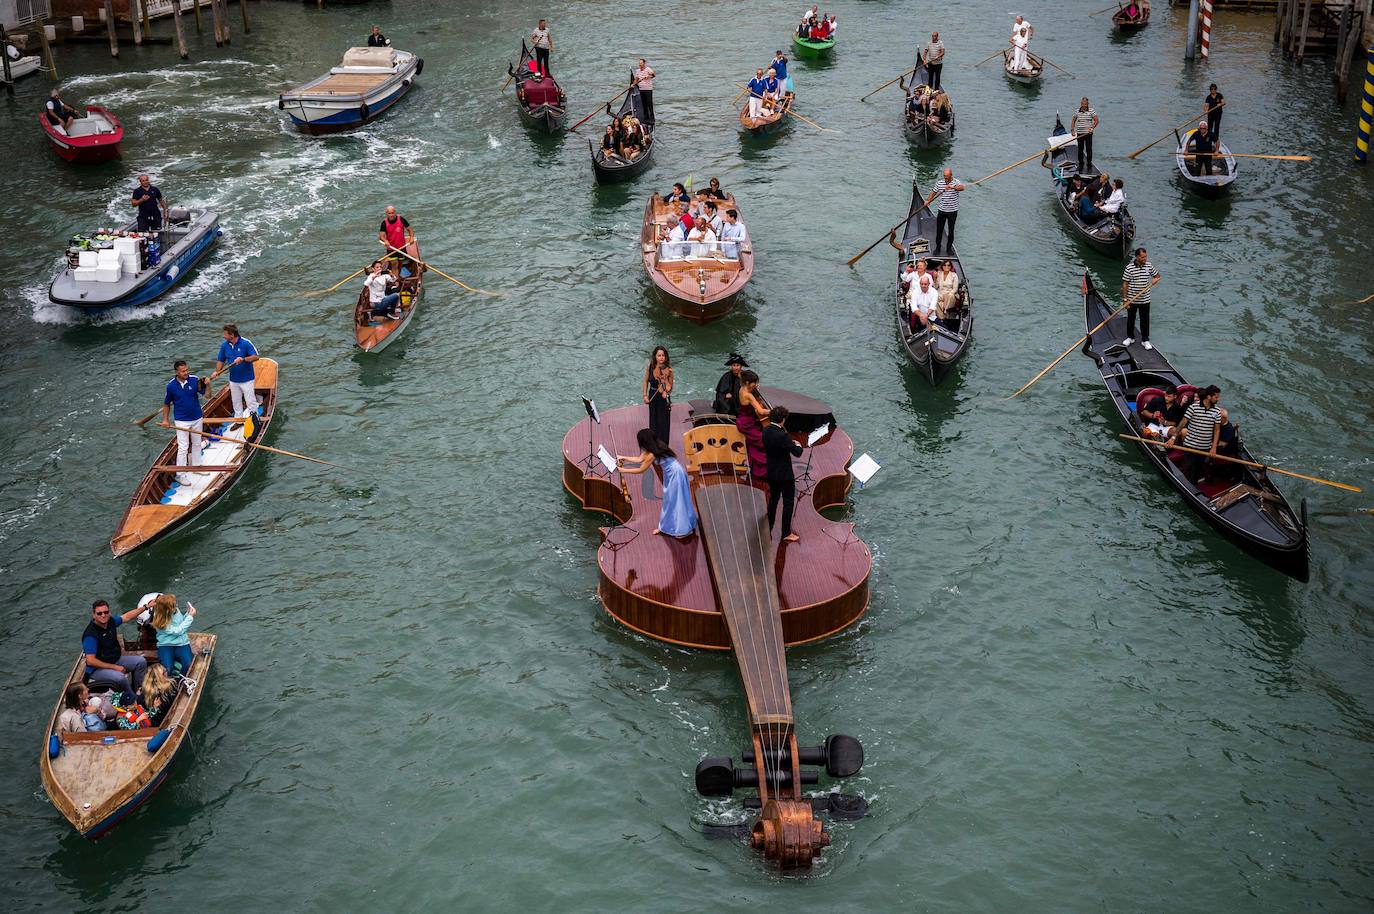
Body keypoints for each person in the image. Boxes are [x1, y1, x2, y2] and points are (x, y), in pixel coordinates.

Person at [616, 429, 697, 537]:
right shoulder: (654, 446)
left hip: (675, 475)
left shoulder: (652, 453)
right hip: (673, 473)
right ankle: (665, 527)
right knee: (670, 501)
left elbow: (641, 469)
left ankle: (682, 530)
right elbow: (640, 459)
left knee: (675, 501)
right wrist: (623, 457)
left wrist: (623, 470)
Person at [82, 599, 148, 696]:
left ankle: (138, 691)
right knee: (120, 678)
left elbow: (127, 616)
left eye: (106, 612)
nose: (103, 615)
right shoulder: (90, 635)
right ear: (94, 615)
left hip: (114, 659)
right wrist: (115, 667)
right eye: (99, 613)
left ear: (109, 612)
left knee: (141, 662)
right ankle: (133, 699)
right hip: (97, 669)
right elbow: (91, 661)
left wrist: (146, 607)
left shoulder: (111, 622)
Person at [159, 360, 210, 484]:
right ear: (177, 372)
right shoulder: (170, 386)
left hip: (197, 417)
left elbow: (208, 396)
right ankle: (180, 474)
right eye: (183, 371)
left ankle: (197, 466)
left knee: (197, 443)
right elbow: (166, 404)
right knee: (183, 447)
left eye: (187, 370)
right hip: (181, 421)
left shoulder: (194, 380)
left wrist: (208, 385)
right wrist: (165, 420)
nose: (186, 372)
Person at [763, 406, 804, 543]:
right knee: (788, 502)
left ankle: (768, 527)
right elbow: (797, 453)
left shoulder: (766, 430)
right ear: (782, 419)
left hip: (771, 471)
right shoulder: (783, 435)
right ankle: (786, 533)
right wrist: (798, 444)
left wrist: (787, 444)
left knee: (773, 499)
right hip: (785, 475)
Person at [1175, 385, 1222, 483]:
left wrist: (1214, 447)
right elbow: (1183, 423)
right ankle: (1188, 487)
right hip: (1190, 445)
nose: (1218, 399)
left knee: (1199, 470)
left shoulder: (1217, 411)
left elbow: (1217, 430)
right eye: (1216, 397)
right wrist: (1173, 437)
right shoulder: (1193, 407)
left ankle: (1195, 484)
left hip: (1205, 447)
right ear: (1209, 397)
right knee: (1189, 469)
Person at [215, 323, 260, 417]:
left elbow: (256, 357)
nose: (224, 336)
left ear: (231, 335)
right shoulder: (225, 346)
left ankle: (255, 419)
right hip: (233, 380)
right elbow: (221, 359)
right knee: (236, 402)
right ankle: (238, 420)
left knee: (250, 401)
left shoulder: (246, 343)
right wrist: (217, 372)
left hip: (247, 380)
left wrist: (243, 359)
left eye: (225, 334)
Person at [1121, 247, 1162, 349]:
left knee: (1145, 320)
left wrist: (1155, 280)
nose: (1145, 259)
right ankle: (1130, 337)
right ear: (1137, 257)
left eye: (1146, 257)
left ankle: (1145, 340)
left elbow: (1157, 276)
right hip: (1132, 299)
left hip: (1145, 299)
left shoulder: (1149, 266)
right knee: (1131, 319)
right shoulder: (1129, 268)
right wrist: (1125, 299)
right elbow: (1125, 284)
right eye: (1143, 257)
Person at [148, 593, 196, 679]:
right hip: (165, 645)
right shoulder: (160, 621)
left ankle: (182, 679)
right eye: (174, 605)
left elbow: (180, 623)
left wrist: (187, 614)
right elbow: (178, 631)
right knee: (167, 669)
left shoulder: (175, 610)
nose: (176, 606)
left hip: (181, 643)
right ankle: (167, 684)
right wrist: (190, 617)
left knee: (188, 664)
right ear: (167, 610)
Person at [922, 167, 965, 255]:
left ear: (951, 175)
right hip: (942, 210)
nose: (945, 178)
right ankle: (938, 248)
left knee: (951, 230)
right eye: (944, 176)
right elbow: (933, 192)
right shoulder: (939, 183)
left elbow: (962, 188)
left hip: (952, 211)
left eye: (947, 176)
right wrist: (928, 201)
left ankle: (949, 249)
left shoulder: (956, 182)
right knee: (939, 230)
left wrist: (952, 187)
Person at [736, 370, 769, 480]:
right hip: (747, 424)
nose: (756, 384)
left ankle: (756, 469)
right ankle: (762, 472)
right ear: (747, 382)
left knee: (754, 443)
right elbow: (761, 411)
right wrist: (774, 411)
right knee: (763, 442)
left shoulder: (742, 389)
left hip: (744, 419)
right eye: (754, 382)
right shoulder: (748, 395)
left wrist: (754, 388)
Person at [643, 346, 673, 448]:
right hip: (653, 394)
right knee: (653, 419)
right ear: (655, 357)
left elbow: (670, 386)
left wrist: (666, 391)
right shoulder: (650, 367)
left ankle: (664, 445)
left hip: (663, 397)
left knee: (663, 421)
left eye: (663, 355)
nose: (661, 358)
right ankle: (654, 444)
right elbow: (645, 381)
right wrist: (645, 395)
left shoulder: (668, 369)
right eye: (659, 355)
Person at [377, 206, 416, 278]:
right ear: (386, 213)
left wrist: (411, 237)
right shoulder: (384, 223)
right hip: (391, 248)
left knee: (400, 264)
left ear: (395, 212)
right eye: (389, 213)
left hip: (402, 247)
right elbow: (381, 236)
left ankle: (397, 276)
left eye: (392, 213)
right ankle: (396, 282)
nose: (391, 215)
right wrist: (385, 240)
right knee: (394, 265)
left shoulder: (401, 219)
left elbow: (410, 230)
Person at [140, 664, 178, 728]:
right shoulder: (169, 686)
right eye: (165, 671)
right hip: (168, 720)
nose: (167, 673)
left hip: (155, 724)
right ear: (161, 675)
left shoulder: (144, 691)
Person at [1073, 98, 1098, 174]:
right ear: (1081, 104)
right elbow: (1073, 120)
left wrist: (1092, 128)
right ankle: (1081, 164)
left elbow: (1096, 120)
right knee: (1080, 149)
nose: (1084, 105)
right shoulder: (1077, 111)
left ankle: (1089, 164)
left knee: (1088, 149)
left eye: (1086, 104)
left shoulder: (1091, 111)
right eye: (1083, 104)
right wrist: (1072, 130)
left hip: (1088, 133)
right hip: (1080, 133)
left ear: (1088, 104)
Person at [935, 260, 960, 328]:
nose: (946, 266)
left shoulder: (954, 275)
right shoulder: (939, 273)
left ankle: (945, 311)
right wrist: (935, 278)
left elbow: (955, 288)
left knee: (950, 296)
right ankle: (942, 318)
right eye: (945, 265)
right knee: (934, 298)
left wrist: (950, 294)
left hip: (950, 293)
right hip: (940, 292)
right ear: (942, 266)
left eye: (948, 265)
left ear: (951, 266)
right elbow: (936, 287)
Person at [634, 59, 656, 124]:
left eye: (641, 63)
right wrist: (633, 84)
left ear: (644, 63)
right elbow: (636, 79)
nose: (640, 65)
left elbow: (654, 75)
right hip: (641, 89)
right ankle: (646, 118)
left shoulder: (648, 69)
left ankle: (652, 118)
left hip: (648, 89)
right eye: (639, 63)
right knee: (644, 104)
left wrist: (648, 76)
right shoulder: (637, 71)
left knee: (649, 104)